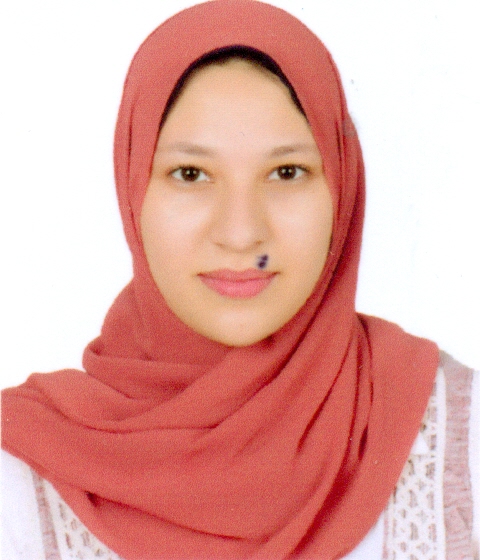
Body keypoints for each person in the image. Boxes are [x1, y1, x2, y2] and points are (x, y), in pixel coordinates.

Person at [2, 1, 478, 559]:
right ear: (133, 188)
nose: (241, 233)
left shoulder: (456, 440)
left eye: (286, 172)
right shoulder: (21, 475)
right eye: (191, 174)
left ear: (342, 185)